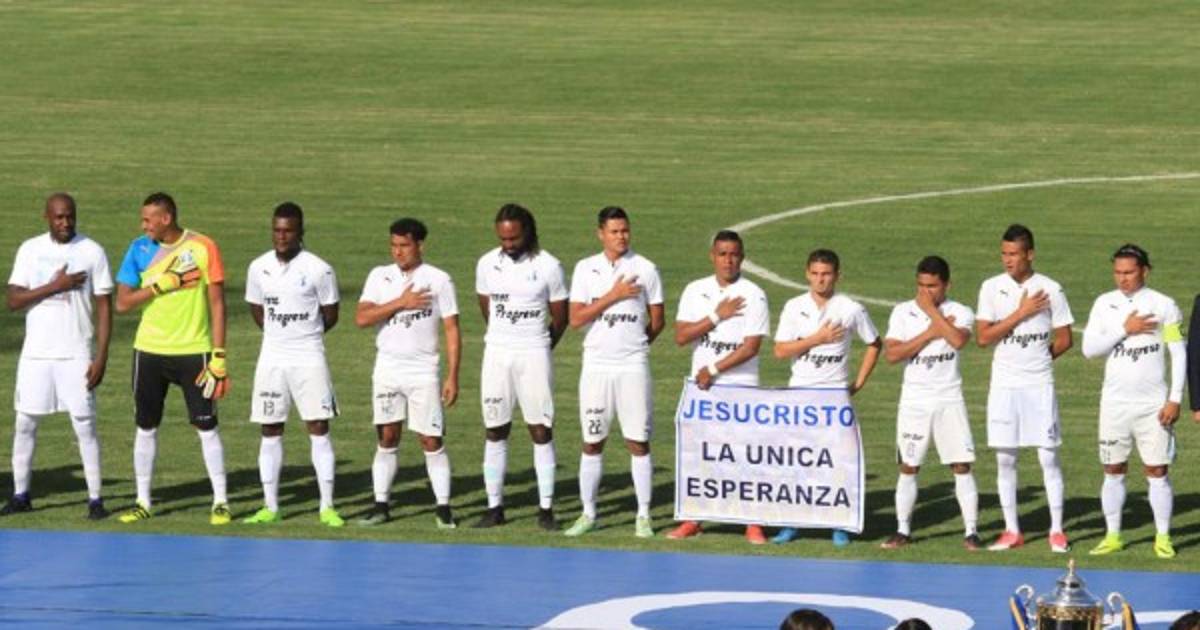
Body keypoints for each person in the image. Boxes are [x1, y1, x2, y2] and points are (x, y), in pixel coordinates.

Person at [113, 192, 230, 525]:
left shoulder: (204, 247)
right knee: (145, 426)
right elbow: (122, 303)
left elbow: (218, 304)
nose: (143, 226)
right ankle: (143, 501)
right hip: (149, 351)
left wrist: (219, 356)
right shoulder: (138, 249)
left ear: (166, 219)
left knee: (206, 426)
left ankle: (221, 501)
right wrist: (160, 286)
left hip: (194, 351)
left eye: (148, 219)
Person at [3, 193, 112, 519]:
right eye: (59, 217)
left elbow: (104, 307)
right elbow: (13, 300)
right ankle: (21, 495)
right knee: (25, 423)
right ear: (47, 217)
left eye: (70, 216)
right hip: (36, 355)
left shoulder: (92, 251)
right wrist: (56, 286)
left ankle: (95, 500)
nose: (66, 223)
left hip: (75, 354)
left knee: (84, 425)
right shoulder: (30, 249)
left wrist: (101, 356)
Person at [562, 207, 665, 539]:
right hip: (596, 367)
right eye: (615, 231)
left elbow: (658, 320)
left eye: (625, 230)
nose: (621, 236)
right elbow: (576, 319)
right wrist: (613, 296)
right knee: (592, 441)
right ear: (601, 234)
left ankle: (644, 515)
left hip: (632, 367)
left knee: (638, 441)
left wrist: (636, 346)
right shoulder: (585, 268)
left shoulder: (646, 268)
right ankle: (588, 513)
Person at [242, 203, 344, 527]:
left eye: (288, 231)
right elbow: (257, 308)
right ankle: (270, 506)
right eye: (277, 230)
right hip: (271, 358)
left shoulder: (319, 269)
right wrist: (279, 334)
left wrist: (303, 335)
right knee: (270, 428)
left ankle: (327, 507)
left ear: (301, 232)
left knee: (318, 426)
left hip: (309, 357)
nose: (281, 236)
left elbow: (331, 314)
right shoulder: (258, 267)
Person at [770, 249, 882, 547]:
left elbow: (874, 343)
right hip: (799, 395)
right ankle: (792, 523)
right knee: (796, 460)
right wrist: (816, 339)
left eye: (827, 274)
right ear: (807, 274)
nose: (821, 280)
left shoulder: (850, 309)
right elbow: (780, 351)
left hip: (834, 397)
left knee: (837, 461)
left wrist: (858, 382)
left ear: (837, 275)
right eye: (816, 274)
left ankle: (838, 524)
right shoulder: (794, 307)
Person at [355, 218, 460, 528]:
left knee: (430, 439)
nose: (398, 252)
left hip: (423, 371)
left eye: (404, 245)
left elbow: (452, 330)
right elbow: (362, 318)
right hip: (387, 369)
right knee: (387, 436)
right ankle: (381, 505)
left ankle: (443, 508)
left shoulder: (439, 280)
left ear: (420, 246)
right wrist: (401, 302)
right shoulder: (379, 276)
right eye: (394, 245)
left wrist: (452, 375)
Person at [667, 230, 770, 544]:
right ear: (712, 256)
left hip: (740, 385)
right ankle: (693, 518)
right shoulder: (695, 290)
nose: (728, 261)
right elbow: (681, 336)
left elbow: (751, 347)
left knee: (746, 454)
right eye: (723, 254)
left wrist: (713, 369)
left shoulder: (754, 294)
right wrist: (716, 315)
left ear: (742, 257)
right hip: (704, 389)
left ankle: (753, 521)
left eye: (734, 254)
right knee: (701, 452)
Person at [1081, 244, 1184, 559]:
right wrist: (1124, 329)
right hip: (1114, 405)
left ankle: (1163, 537)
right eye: (1117, 272)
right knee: (1113, 468)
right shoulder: (1104, 304)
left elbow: (1178, 353)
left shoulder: (1164, 305)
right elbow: (1089, 349)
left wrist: (1174, 399)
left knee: (1157, 470)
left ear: (1145, 271)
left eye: (1128, 272)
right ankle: (1113, 535)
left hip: (1153, 406)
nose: (1122, 278)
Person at [976, 224, 1073, 552]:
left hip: (1039, 385)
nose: (1008, 260)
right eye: (1004, 253)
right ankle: (1012, 530)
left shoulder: (1051, 289)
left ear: (1029, 254)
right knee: (1005, 458)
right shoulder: (991, 288)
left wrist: (1039, 361)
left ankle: (1056, 530)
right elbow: (984, 337)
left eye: (1014, 254)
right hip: (1004, 387)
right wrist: (1021, 313)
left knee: (1048, 457)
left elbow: (1065, 339)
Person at [473, 203, 567, 529]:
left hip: (534, 353)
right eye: (503, 238)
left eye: (514, 238)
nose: (508, 244)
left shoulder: (549, 266)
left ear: (528, 232)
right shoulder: (486, 263)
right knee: (495, 429)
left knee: (540, 429)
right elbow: (487, 309)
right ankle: (494, 507)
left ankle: (546, 509)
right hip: (497, 354)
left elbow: (561, 317)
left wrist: (539, 346)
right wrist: (505, 337)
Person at [880, 256, 981, 550]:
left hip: (949, 398)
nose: (925, 292)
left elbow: (958, 341)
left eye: (932, 286)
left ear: (947, 284)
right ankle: (902, 530)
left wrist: (932, 315)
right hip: (914, 401)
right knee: (909, 465)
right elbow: (893, 355)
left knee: (961, 464)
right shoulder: (902, 312)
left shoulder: (961, 311)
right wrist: (931, 331)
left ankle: (972, 531)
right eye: (921, 285)